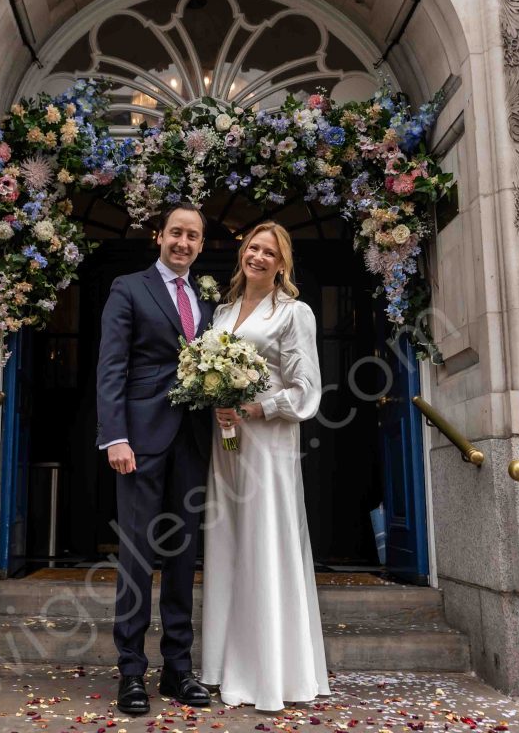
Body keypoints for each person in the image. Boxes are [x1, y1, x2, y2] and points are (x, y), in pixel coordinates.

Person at [200, 221, 330, 711]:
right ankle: (223, 664)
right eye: (252, 248)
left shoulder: (294, 313)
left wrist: (258, 408)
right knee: (230, 539)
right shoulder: (222, 311)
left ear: (282, 263)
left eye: (269, 252)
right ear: (243, 253)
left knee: (266, 541)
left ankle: (272, 672)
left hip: (268, 443)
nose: (258, 256)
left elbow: (306, 389)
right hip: (227, 440)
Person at [96, 204, 216, 715]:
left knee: (184, 558)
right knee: (138, 557)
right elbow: (112, 367)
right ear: (159, 236)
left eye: (192, 236)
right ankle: (130, 672)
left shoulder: (205, 298)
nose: (183, 243)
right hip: (140, 442)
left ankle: (177, 670)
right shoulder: (129, 287)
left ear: (200, 244)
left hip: (192, 440)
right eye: (175, 233)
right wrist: (115, 437)